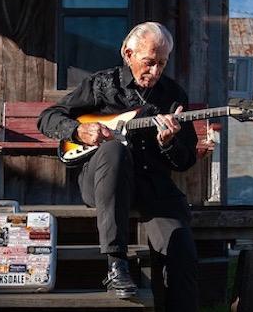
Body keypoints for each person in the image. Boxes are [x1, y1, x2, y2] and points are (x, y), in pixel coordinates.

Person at [37, 21, 200, 310]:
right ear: (128, 53)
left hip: (153, 188)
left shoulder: (173, 96)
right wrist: (77, 131)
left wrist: (168, 143)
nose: (156, 71)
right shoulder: (102, 84)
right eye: (149, 62)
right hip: (103, 182)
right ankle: (116, 265)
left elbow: (186, 159)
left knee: (181, 251)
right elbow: (48, 117)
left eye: (162, 63)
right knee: (115, 150)